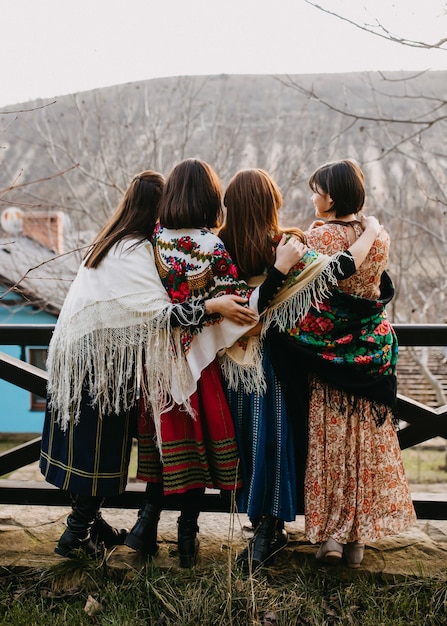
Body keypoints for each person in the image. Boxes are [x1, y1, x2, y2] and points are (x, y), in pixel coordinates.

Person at [39, 170, 258, 560]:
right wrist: (213, 305)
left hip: (81, 361)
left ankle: (91, 526)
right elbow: (161, 315)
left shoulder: (108, 243)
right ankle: (76, 536)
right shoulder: (136, 250)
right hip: (101, 366)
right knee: (99, 454)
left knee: (91, 452)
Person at [125, 158, 305, 568]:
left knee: (162, 445)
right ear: (210, 198)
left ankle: (146, 525)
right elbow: (243, 310)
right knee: (207, 447)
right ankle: (191, 540)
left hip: (158, 363)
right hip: (207, 364)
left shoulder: (152, 242)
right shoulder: (214, 246)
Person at [218, 167, 383, 572]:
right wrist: (370, 230)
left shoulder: (217, 247)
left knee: (246, 443)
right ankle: (270, 529)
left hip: (230, 364)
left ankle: (258, 524)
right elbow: (337, 270)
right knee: (273, 441)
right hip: (274, 364)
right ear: (271, 203)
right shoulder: (287, 243)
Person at [270, 159, 416, 568]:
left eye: (316, 190)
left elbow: (299, 287)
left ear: (330, 196)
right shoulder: (379, 235)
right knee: (365, 446)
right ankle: (358, 542)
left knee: (332, 444)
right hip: (371, 351)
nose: (312, 197)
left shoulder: (321, 235)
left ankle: (331, 537)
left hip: (330, 352)